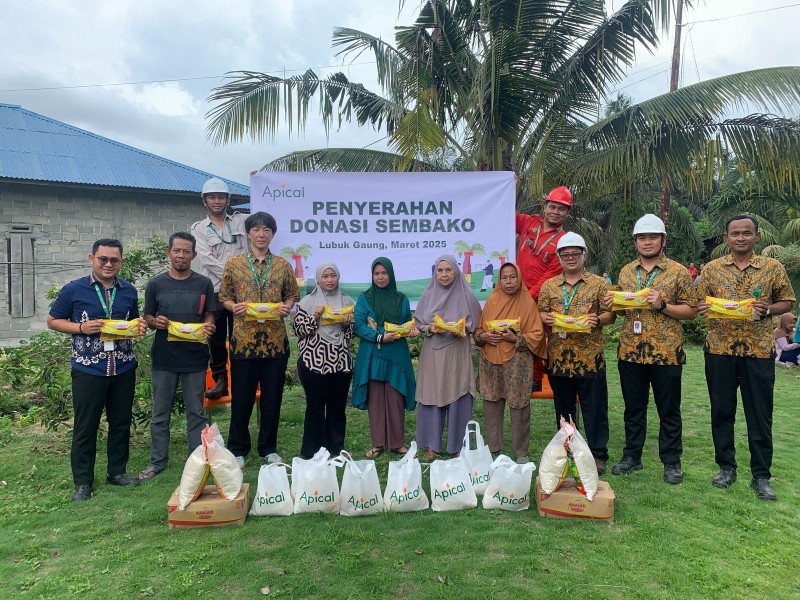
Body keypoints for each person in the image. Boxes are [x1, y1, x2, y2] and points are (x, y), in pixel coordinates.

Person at [697, 214, 796, 501]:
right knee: (722, 412)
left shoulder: (772, 267)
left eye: (746, 233)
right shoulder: (712, 269)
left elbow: (787, 301)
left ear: (756, 237)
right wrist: (703, 308)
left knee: (760, 414)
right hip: (719, 350)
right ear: (727, 238)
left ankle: (761, 476)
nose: (740, 238)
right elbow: (699, 302)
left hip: (758, 351)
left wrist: (768, 309)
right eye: (735, 233)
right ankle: (726, 468)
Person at [47, 238, 146, 501]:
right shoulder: (74, 289)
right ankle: (82, 483)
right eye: (103, 259)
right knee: (86, 426)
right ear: (92, 259)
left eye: (114, 260)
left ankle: (117, 472)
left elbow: (133, 320)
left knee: (121, 423)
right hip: (88, 369)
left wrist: (139, 327)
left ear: (121, 262)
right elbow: (52, 320)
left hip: (123, 367)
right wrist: (81, 328)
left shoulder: (128, 291)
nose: (108, 264)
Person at [603, 214, 698, 485]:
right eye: (642, 237)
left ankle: (671, 462)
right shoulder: (625, 272)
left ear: (663, 240)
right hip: (631, 351)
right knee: (634, 408)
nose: (647, 242)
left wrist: (663, 305)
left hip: (666, 352)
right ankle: (632, 456)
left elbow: (691, 312)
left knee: (669, 409)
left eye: (652, 237)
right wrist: (615, 302)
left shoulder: (678, 272)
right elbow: (621, 312)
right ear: (635, 242)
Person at [219, 211, 300, 466]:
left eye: (267, 230)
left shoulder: (283, 266)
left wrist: (286, 306)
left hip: (275, 343)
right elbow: (224, 296)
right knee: (241, 398)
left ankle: (268, 448)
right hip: (243, 342)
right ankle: (238, 449)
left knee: (272, 399)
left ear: (272, 234)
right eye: (256, 230)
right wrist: (233, 307)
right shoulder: (234, 264)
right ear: (248, 233)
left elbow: (292, 294)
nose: (261, 234)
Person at [139, 232, 216, 480]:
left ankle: (196, 460)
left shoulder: (203, 284)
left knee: (196, 413)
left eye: (186, 251)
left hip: (194, 357)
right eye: (176, 250)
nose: (181, 255)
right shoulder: (156, 284)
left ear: (193, 255)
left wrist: (209, 325)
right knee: (160, 413)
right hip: (164, 358)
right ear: (168, 252)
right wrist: (155, 322)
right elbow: (147, 317)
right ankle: (157, 461)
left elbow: (208, 315)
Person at [538, 233, 615, 474]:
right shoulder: (549, 285)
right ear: (559, 257)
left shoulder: (599, 284)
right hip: (559, 359)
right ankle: (568, 448)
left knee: (595, 409)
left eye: (575, 254)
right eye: (565, 254)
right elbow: (539, 312)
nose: (570, 258)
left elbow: (611, 314)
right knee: (564, 410)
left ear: (584, 255)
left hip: (590, 358)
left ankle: (598, 454)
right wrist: (545, 318)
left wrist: (598, 319)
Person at [473, 263, 546, 463]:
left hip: (517, 362)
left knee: (519, 405)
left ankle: (521, 452)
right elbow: (478, 331)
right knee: (491, 403)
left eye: (512, 277)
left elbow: (537, 334)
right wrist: (485, 336)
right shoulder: (492, 299)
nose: (508, 282)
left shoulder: (527, 301)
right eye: (504, 277)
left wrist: (517, 339)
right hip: (490, 360)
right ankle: (494, 449)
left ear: (519, 278)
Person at [414, 255, 483, 462]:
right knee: (431, 394)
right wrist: (430, 327)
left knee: (458, 392)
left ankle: (458, 445)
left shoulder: (466, 294)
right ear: (435, 273)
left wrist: (462, 328)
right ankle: (431, 444)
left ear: (456, 272)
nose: (444, 275)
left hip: (457, 350)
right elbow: (418, 322)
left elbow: (476, 323)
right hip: (433, 352)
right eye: (440, 271)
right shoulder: (428, 294)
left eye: (448, 270)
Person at [352, 257, 417, 458]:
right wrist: (379, 336)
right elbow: (358, 325)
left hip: (396, 354)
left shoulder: (401, 299)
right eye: (376, 273)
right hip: (374, 353)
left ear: (391, 274)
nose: (380, 277)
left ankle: (397, 443)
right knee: (376, 399)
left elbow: (407, 322)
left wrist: (410, 330)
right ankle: (378, 443)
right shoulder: (365, 298)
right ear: (372, 276)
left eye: (384, 273)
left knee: (396, 396)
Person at [190, 177, 248, 399]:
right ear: (205, 201)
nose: (217, 201)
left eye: (221, 197)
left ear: (228, 199)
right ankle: (220, 380)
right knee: (215, 337)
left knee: (240, 335)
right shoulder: (199, 229)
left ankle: (243, 379)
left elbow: (267, 211)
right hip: (214, 289)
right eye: (212, 197)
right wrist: (235, 274)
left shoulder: (242, 221)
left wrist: (261, 183)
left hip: (241, 292)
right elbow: (206, 259)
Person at [293, 262, 355, 458]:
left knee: (337, 406)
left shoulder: (347, 302)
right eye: (325, 276)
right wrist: (315, 317)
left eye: (333, 276)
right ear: (319, 279)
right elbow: (298, 330)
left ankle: (336, 448)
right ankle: (314, 450)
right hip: (314, 362)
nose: (329, 280)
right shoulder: (307, 302)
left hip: (340, 362)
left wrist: (346, 325)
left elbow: (353, 332)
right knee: (316, 406)